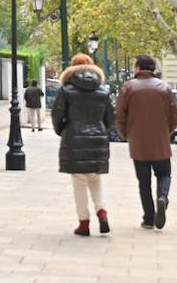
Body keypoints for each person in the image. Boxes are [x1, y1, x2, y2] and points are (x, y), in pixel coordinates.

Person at [52, 53, 115, 237]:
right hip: (98, 137)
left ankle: (84, 222)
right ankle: (101, 212)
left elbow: (57, 114)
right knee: (95, 178)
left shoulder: (66, 90)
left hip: (74, 137)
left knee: (79, 181)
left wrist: (63, 129)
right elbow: (111, 118)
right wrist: (102, 129)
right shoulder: (103, 91)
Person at [116, 54, 177, 231]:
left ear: (138, 67)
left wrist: (126, 135)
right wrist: (165, 132)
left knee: (143, 182)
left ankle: (149, 217)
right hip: (160, 142)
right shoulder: (164, 88)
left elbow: (120, 116)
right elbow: (175, 118)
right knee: (164, 174)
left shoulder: (128, 88)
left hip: (138, 143)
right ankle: (162, 197)